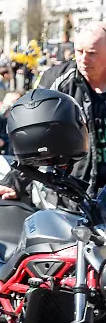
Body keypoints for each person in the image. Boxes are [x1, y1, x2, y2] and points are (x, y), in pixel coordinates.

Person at [37, 22, 106, 194]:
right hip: (71, 193)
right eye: (79, 51)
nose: (83, 59)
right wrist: (13, 183)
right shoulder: (59, 80)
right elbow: (35, 132)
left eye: (91, 53)